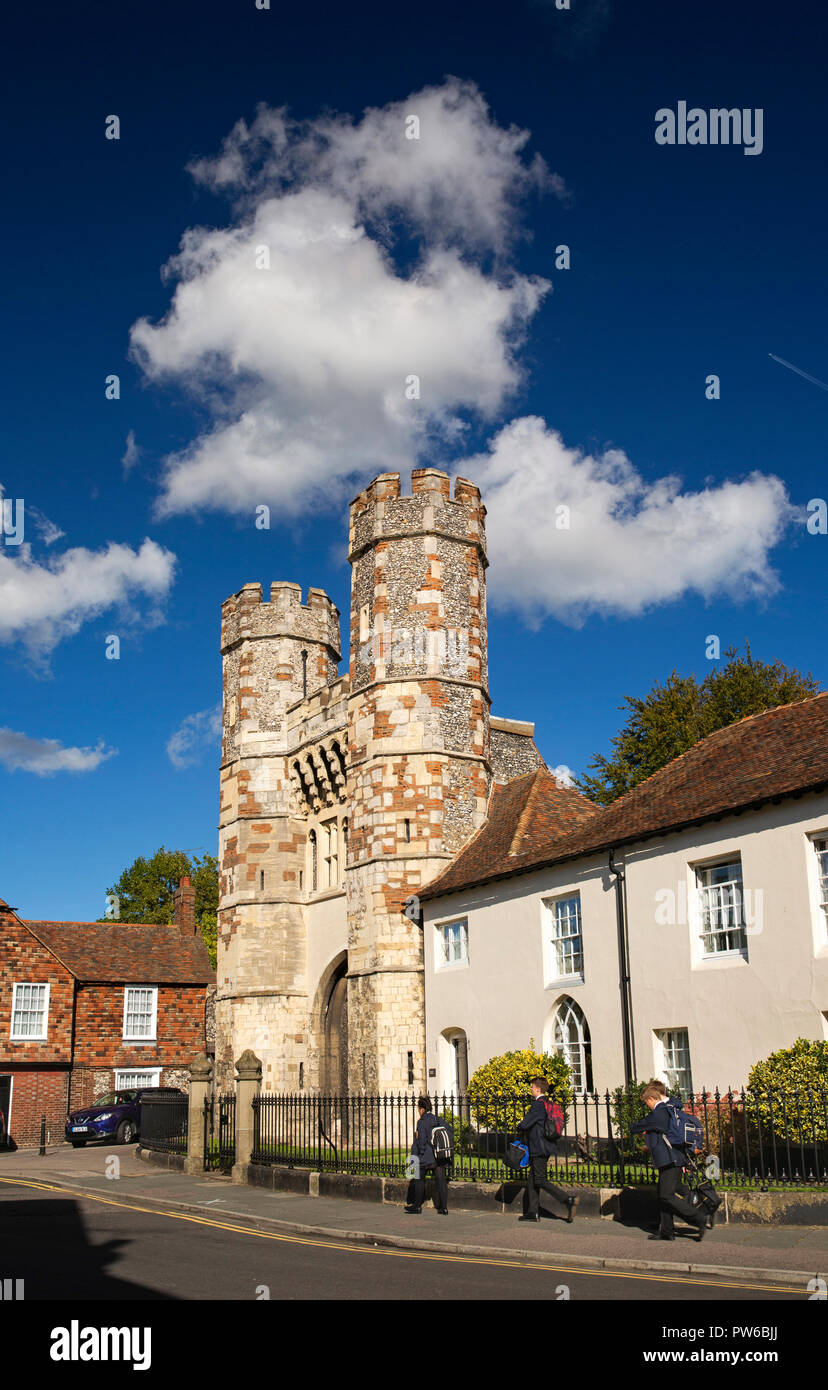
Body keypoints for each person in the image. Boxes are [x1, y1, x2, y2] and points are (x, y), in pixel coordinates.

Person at [630, 1081, 706, 1242]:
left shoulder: (659, 1113)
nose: (647, 1106)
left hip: (669, 1159)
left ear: (651, 1099)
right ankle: (666, 1231)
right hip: (675, 1157)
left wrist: (641, 1129)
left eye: (646, 1102)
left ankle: (697, 1217)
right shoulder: (671, 1109)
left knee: (666, 1195)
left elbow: (636, 1126)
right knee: (662, 1194)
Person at [516, 1077, 577, 1223]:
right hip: (546, 1145)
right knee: (532, 1180)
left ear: (538, 1089)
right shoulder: (548, 1103)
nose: (530, 1089)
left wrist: (519, 1126)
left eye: (532, 1087)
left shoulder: (538, 1105)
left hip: (539, 1146)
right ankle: (533, 1212)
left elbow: (525, 1124)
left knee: (540, 1179)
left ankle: (567, 1199)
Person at [404, 1096, 449, 1215]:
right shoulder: (437, 1119)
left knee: (419, 1178)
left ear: (422, 1109)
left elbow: (421, 1141)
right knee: (441, 1181)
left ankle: (417, 1205)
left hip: (427, 1156)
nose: (419, 1111)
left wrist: (419, 1154)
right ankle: (443, 1208)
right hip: (439, 1156)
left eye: (419, 1109)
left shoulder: (422, 1122)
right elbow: (449, 1130)